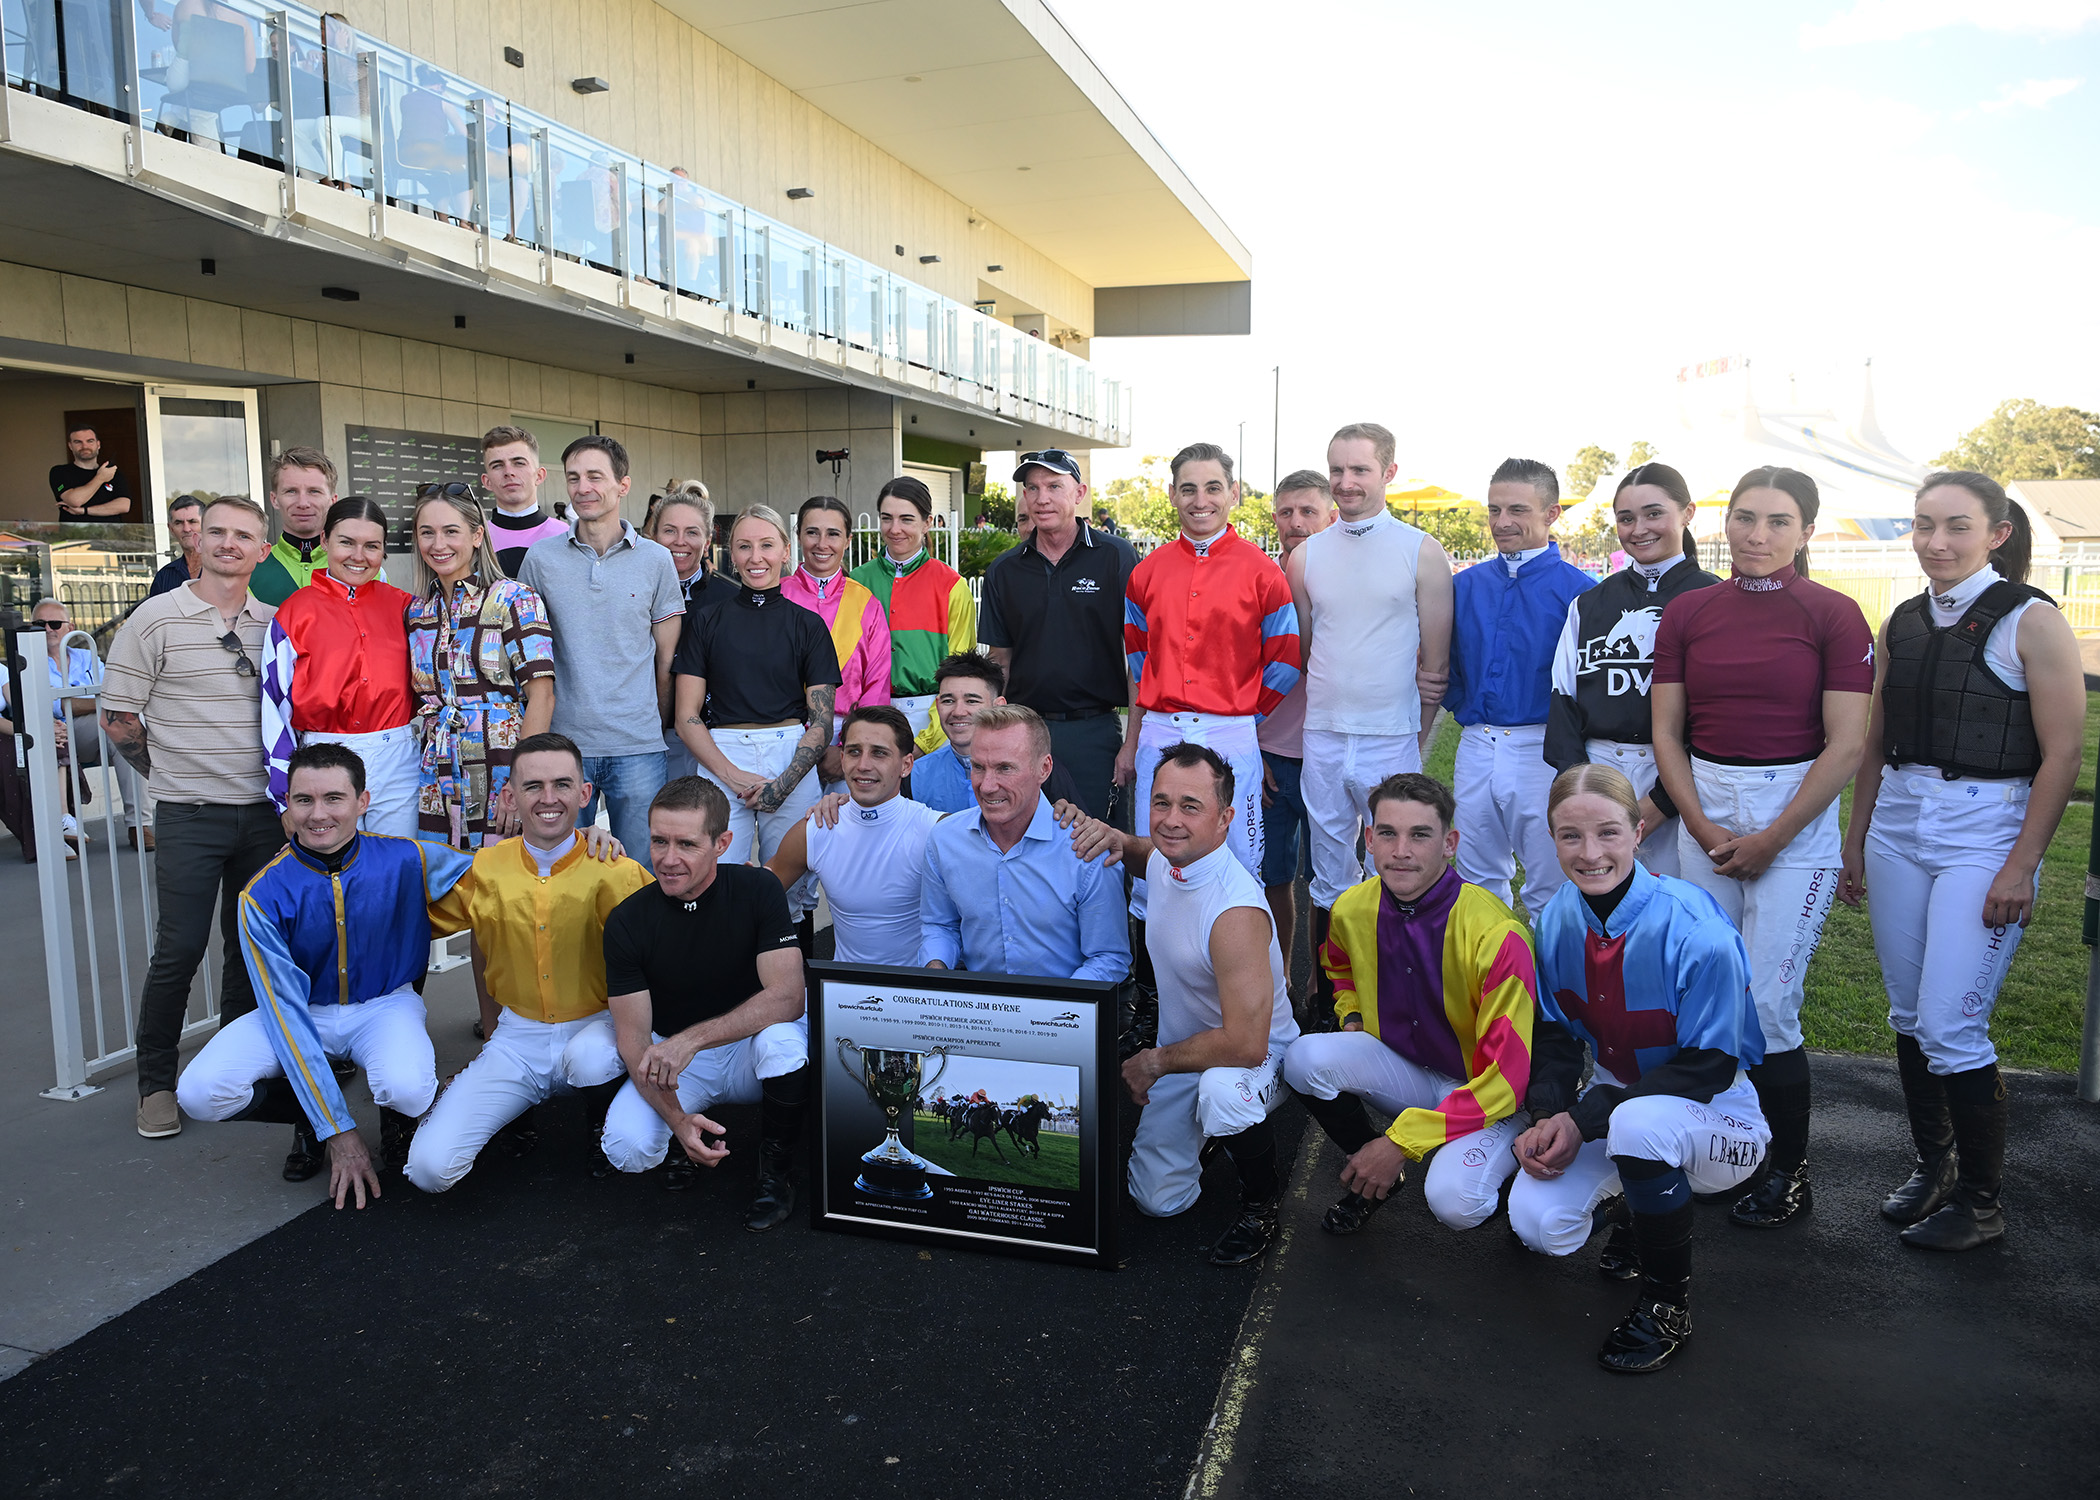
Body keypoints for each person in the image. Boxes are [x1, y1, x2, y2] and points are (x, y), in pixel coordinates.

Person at [1839, 471, 2084, 1252]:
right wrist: (1856, 838)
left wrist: (2022, 865)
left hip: (1986, 831)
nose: (1935, 542)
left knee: (1951, 1023)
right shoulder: (1903, 620)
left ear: (1997, 534)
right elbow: (1877, 738)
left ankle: (1982, 1204)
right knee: (1908, 1015)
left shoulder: (2032, 620)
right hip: (1900, 826)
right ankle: (1935, 1167)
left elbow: (2064, 751)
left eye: (1956, 526)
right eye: (1922, 525)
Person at [1651, 465, 1873, 1231]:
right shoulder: (1688, 612)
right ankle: (1715, 1149)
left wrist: (1774, 836)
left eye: (1778, 521)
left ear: (1807, 530)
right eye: (1745, 518)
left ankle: (1790, 1168)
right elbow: (1665, 733)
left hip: (1796, 815)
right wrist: (1704, 827)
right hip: (1704, 807)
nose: (1757, 534)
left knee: (1770, 1005)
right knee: (1705, 996)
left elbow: (1846, 745)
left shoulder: (1836, 615)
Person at [1511, 765, 1770, 1374]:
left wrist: (1586, 1116)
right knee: (1538, 1224)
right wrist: (1549, 1115)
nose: (1590, 852)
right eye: (1570, 836)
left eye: (1607, 833)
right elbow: (1552, 1034)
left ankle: (1667, 1305)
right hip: (1623, 1111)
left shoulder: (1697, 928)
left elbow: (1710, 1065)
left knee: (1636, 1123)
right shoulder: (1555, 922)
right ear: (1551, 840)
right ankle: (1634, 1206)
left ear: (1637, 830)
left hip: (1719, 1122)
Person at [174, 744, 472, 1205]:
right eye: (303, 800)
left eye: (334, 798)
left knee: (409, 1091)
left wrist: (584, 844)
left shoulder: (408, 857)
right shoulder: (261, 893)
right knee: (199, 1093)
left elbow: (503, 875)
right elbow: (285, 1014)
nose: (318, 815)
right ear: (287, 805)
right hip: (299, 1011)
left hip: (383, 1004)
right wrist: (337, 1129)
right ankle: (314, 1120)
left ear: (363, 801)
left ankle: (395, 1117)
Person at [1282, 772, 1539, 1237]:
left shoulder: (1496, 934)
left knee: (1455, 1202)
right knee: (1302, 1059)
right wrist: (1352, 1016)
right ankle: (1374, 1175)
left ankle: (1523, 1180)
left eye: (1420, 835)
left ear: (1450, 843)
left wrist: (1399, 1142)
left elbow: (1506, 1080)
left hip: (1487, 1092)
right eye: (1388, 833)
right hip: (1410, 1069)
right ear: (1369, 839)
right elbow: (1337, 968)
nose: (1401, 850)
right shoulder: (1350, 908)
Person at [100, 497, 282, 1142]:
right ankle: (156, 1085)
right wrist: (172, 774)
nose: (229, 545)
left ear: (264, 550)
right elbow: (119, 717)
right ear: (195, 541)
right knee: (178, 949)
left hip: (265, 816)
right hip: (188, 815)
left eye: (245, 536)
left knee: (249, 949)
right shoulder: (155, 618)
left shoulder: (277, 624)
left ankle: (239, 1072)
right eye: (218, 533)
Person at [406, 733, 653, 1195]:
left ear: (585, 794)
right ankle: (515, 1113)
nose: (548, 798)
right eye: (533, 786)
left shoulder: (616, 868)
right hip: (517, 1037)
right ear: (509, 796)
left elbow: (664, 950)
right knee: (429, 1170)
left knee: (594, 1065)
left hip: (596, 1029)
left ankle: (601, 1124)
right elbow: (417, 922)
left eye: (562, 785)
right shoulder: (485, 867)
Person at [1288, 423, 1453, 1024]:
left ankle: (1406, 988)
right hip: (1326, 736)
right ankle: (1338, 994)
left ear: (1388, 472)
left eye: (1359, 470)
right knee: (1330, 874)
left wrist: (1415, 734)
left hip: (1392, 738)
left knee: (1403, 863)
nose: (1345, 482)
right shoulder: (1306, 556)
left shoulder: (1420, 550)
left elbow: (1435, 667)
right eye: (1337, 470)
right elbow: (1305, 650)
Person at [599, 776, 810, 1232]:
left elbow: (789, 998)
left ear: (722, 843)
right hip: (679, 1060)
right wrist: (676, 1120)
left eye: (687, 844)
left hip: (747, 1050)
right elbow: (633, 1039)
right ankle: (687, 1135)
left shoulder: (758, 889)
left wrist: (691, 1040)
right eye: (658, 840)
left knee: (784, 1044)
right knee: (626, 1147)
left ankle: (776, 1173)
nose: (668, 859)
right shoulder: (627, 920)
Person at [1118, 442, 1298, 926]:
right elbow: (1139, 659)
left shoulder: (1263, 571)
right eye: (1189, 489)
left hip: (1231, 729)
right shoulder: (1146, 572)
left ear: (1233, 493)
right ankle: (1155, 992)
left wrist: (1242, 716)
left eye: (1213, 488)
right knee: (1157, 854)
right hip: (1161, 727)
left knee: (1239, 857)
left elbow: (1284, 658)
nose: (1202, 500)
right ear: (1173, 495)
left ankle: (1247, 987)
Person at [517, 435, 684, 870]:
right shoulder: (540, 558)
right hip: (565, 746)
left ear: (622, 486)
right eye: (574, 478)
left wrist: (656, 724)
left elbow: (666, 660)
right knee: (562, 871)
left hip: (638, 746)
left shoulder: (656, 560)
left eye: (595, 476)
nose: (583, 487)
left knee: (642, 873)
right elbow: (530, 652)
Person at [1546, 463, 1720, 876]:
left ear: (1688, 512)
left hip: (1686, 778)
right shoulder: (1590, 603)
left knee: (1676, 906)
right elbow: (1563, 700)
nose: (1638, 528)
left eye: (1653, 513)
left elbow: (1721, 717)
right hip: (1598, 769)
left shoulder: (1716, 599)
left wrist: (1662, 802)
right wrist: (1583, 792)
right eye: (1626, 518)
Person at [1447, 457, 1594, 923]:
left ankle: (1550, 991)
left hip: (1541, 750)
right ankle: (1489, 988)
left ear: (1551, 513)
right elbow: (1446, 664)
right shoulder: (1463, 586)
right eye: (1493, 510)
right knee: (1474, 878)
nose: (1502, 522)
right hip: (1476, 744)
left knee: (1550, 880)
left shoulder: (1581, 592)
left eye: (1517, 510)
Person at [672, 505, 841, 866]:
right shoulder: (705, 622)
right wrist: (732, 776)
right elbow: (686, 716)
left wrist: (784, 783)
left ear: (785, 552)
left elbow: (822, 721)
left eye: (766, 545)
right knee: (717, 873)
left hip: (791, 756)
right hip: (721, 756)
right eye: (744, 546)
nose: (756, 557)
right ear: (731, 555)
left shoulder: (808, 626)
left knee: (792, 883)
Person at [978, 449, 1138, 821]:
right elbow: (999, 660)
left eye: (1054, 486)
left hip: (1094, 732)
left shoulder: (1115, 556)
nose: (1041, 498)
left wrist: (1131, 744)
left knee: (1098, 848)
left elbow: (1138, 659)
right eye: (1031, 488)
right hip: (1024, 730)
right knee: (1024, 843)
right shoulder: (1004, 570)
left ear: (1079, 493)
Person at [918, 706, 1130, 984]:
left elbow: (1108, 957)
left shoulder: (1084, 848)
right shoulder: (945, 840)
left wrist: (1043, 1015)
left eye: (1005, 768)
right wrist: (936, 968)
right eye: (978, 767)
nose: (987, 785)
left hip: (1063, 1017)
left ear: (1044, 768)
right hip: (974, 1012)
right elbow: (940, 925)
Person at [260, 497, 420, 837]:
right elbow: (274, 708)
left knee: (395, 867)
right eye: (346, 542)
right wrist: (284, 799)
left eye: (371, 546)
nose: (358, 556)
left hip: (397, 757)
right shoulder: (293, 613)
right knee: (333, 872)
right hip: (320, 758)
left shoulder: (407, 608)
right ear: (324, 541)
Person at [407, 487, 555, 848]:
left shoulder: (514, 599)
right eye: (427, 532)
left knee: (502, 880)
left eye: (450, 531)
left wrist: (524, 783)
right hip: (438, 767)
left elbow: (543, 697)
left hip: (501, 765)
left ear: (477, 536)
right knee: (442, 880)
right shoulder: (418, 611)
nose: (438, 543)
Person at [765, 706, 938, 966]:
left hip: (919, 996)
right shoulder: (816, 827)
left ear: (906, 765)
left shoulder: (935, 830)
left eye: (879, 753)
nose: (863, 765)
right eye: (854, 752)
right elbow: (756, 898)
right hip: (844, 995)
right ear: (842, 758)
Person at [1256, 471, 1336, 1005]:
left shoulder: (1345, 578)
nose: (1295, 523)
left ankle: (1326, 984)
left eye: (1307, 511)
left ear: (1332, 515)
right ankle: (1280, 977)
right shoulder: (1263, 580)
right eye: (1286, 512)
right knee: (1272, 874)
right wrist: (1250, 742)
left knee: (1331, 880)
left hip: (1332, 753)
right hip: (1272, 754)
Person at [1, 598, 152, 854]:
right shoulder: (25, 661)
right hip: (50, 732)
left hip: (85, 731)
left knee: (126, 728)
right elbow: (51, 707)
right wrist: (91, 701)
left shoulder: (85, 656)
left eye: (55, 623)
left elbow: (113, 694)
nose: (48, 629)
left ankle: (140, 824)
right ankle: (60, 826)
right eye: (40, 624)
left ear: (70, 627)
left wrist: (75, 701)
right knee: (69, 726)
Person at [848, 476, 976, 750]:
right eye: (887, 518)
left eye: (906, 519)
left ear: (927, 523)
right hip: (866, 716)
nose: (895, 529)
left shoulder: (953, 586)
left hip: (933, 718)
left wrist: (927, 741)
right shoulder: (857, 581)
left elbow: (961, 673)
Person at [782, 494, 891, 787]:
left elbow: (877, 685)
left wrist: (846, 749)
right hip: (784, 738)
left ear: (848, 540)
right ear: (798, 536)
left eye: (833, 534)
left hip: (849, 742)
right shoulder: (777, 595)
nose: (822, 543)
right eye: (812, 532)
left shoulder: (865, 602)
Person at [909, 653, 1084, 814]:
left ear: (998, 705)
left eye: (972, 701)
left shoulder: (1037, 769)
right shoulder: (915, 775)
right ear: (937, 705)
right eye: (948, 701)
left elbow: (1080, 832)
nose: (958, 711)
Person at [652, 480, 736, 782]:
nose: (680, 541)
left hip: (715, 735)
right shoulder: (632, 593)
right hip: (649, 736)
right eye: (669, 531)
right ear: (654, 535)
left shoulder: (731, 597)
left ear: (708, 538)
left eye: (692, 532)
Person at [248, 446, 338, 606]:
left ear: (333, 500)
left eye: (314, 491)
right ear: (274, 499)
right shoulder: (250, 569)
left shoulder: (363, 568)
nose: (303, 503)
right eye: (291, 491)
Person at [480, 425, 572, 578]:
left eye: (519, 463)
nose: (509, 472)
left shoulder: (567, 536)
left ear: (539, 475)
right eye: (497, 465)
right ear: (487, 481)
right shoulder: (475, 539)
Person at [50, 422, 134, 519]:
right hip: (74, 533)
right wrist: (100, 478)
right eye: (78, 442)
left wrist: (84, 511)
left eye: (90, 441)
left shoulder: (113, 472)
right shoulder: (59, 472)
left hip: (110, 533)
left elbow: (124, 506)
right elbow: (75, 500)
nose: (84, 446)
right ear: (70, 446)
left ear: (98, 444)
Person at [148, 495, 205, 596]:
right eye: (179, 523)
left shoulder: (224, 568)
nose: (186, 529)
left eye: (192, 522)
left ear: (206, 524)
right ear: (171, 529)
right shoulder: (164, 576)